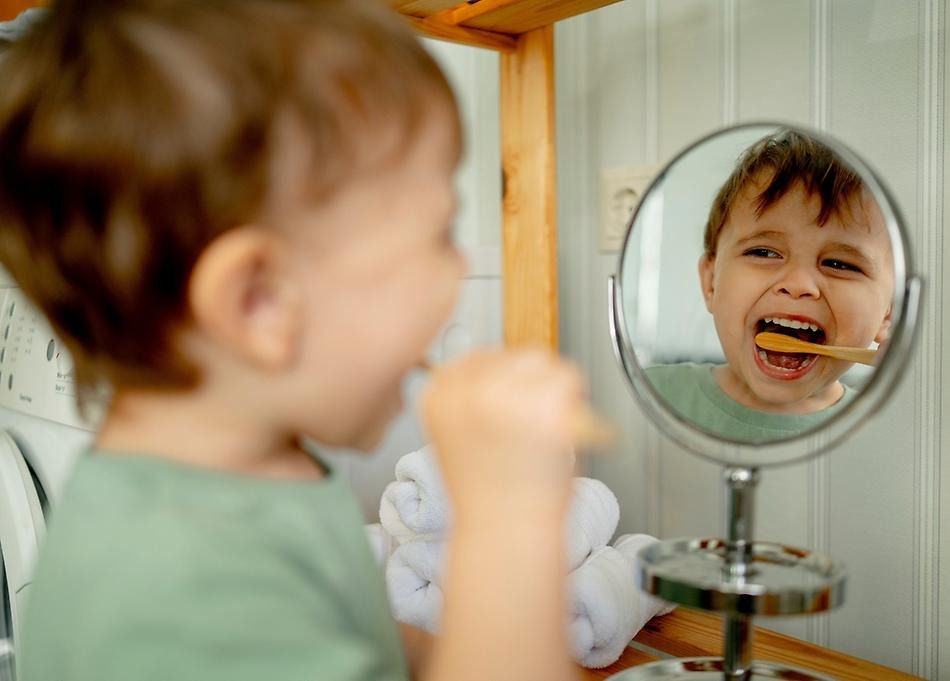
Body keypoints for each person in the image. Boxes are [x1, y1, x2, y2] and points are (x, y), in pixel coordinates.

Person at [0, 2, 585, 680]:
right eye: (438, 235)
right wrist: (509, 520)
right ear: (258, 302)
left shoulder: (250, 475)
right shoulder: (183, 590)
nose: (459, 276)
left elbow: (337, 628)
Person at [646, 130, 893, 441]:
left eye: (839, 264)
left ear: (888, 313)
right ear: (710, 282)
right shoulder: (647, 393)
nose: (798, 284)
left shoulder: (887, 433)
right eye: (763, 252)